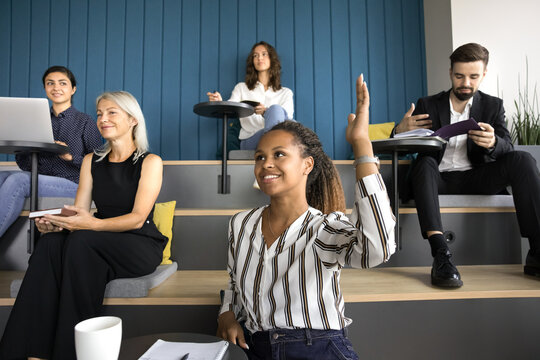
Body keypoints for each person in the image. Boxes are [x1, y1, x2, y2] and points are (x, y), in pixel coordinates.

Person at [217, 75, 396, 359]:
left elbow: (378, 249)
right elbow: (233, 284)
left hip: (318, 346)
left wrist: (362, 144)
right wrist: (226, 314)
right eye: (260, 157)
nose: (266, 164)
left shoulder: (324, 228)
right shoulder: (241, 224)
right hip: (256, 348)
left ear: (307, 165)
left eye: (279, 154)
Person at [0, 91, 167, 359]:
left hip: (139, 241)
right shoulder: (91, 161)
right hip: (96, 238)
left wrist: (88, 225)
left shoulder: (150, 162)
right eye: (100, 113)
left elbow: (137, 218)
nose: (103, 119)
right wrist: (56, 225)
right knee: (51, 244)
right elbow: (79, 212)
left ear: (133, 119)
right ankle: (29, 351)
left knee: (82, 240)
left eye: (112, 112)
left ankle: (69, 352)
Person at [393, 43, 540, 288]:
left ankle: (537, 251)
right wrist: (399, 131)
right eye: (460, 76)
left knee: (523, 159)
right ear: (450, 73)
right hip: (435, 178)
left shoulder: (493, 106)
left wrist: (493, 142)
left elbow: (508, 147)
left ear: (483, 74)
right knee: (425, 161)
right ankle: (441, 254)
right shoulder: (428, 104)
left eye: (473, 76)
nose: (466, 83)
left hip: (477, 177)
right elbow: (404, 149)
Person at [0, 65, 102, 239]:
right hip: (39, 179)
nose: (56, 88)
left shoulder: (85, 121)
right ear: (45, 88)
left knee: (18, 180)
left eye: (62, 83)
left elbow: (98, 163)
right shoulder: (36, 121)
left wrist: (70, 157)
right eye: (50, 83)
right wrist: (24, 149)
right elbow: (25, 165)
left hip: (74, 183)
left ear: (73, 89)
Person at [207, 41, 294, 150]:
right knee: (278, 132)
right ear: (252, 61)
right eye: (255, 55)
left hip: (280, 138)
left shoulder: (286, 92)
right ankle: (277, 152)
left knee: (276, 110)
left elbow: (287, 119)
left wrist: (266, 112)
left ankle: (274, 149)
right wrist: (220, 102)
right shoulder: (242, 88)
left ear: (272, 59)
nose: (259, 58)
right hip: (252, 139)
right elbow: (231, 107)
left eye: (264, 54)